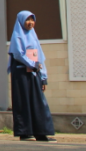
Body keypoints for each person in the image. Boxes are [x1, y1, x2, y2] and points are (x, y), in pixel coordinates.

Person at [9, 11, 56, 142]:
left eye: (32, 20)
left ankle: (41, 132)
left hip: (34, 73)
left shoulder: (33, 36)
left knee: (38, 102)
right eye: (27, 20)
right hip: (21, 73)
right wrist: (32, 64)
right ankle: (25, 133)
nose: (30, 23)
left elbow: (40, 57)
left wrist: (43, 77)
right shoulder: (17, 35)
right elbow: (18, 54)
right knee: (23, 102)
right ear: (21, 21)